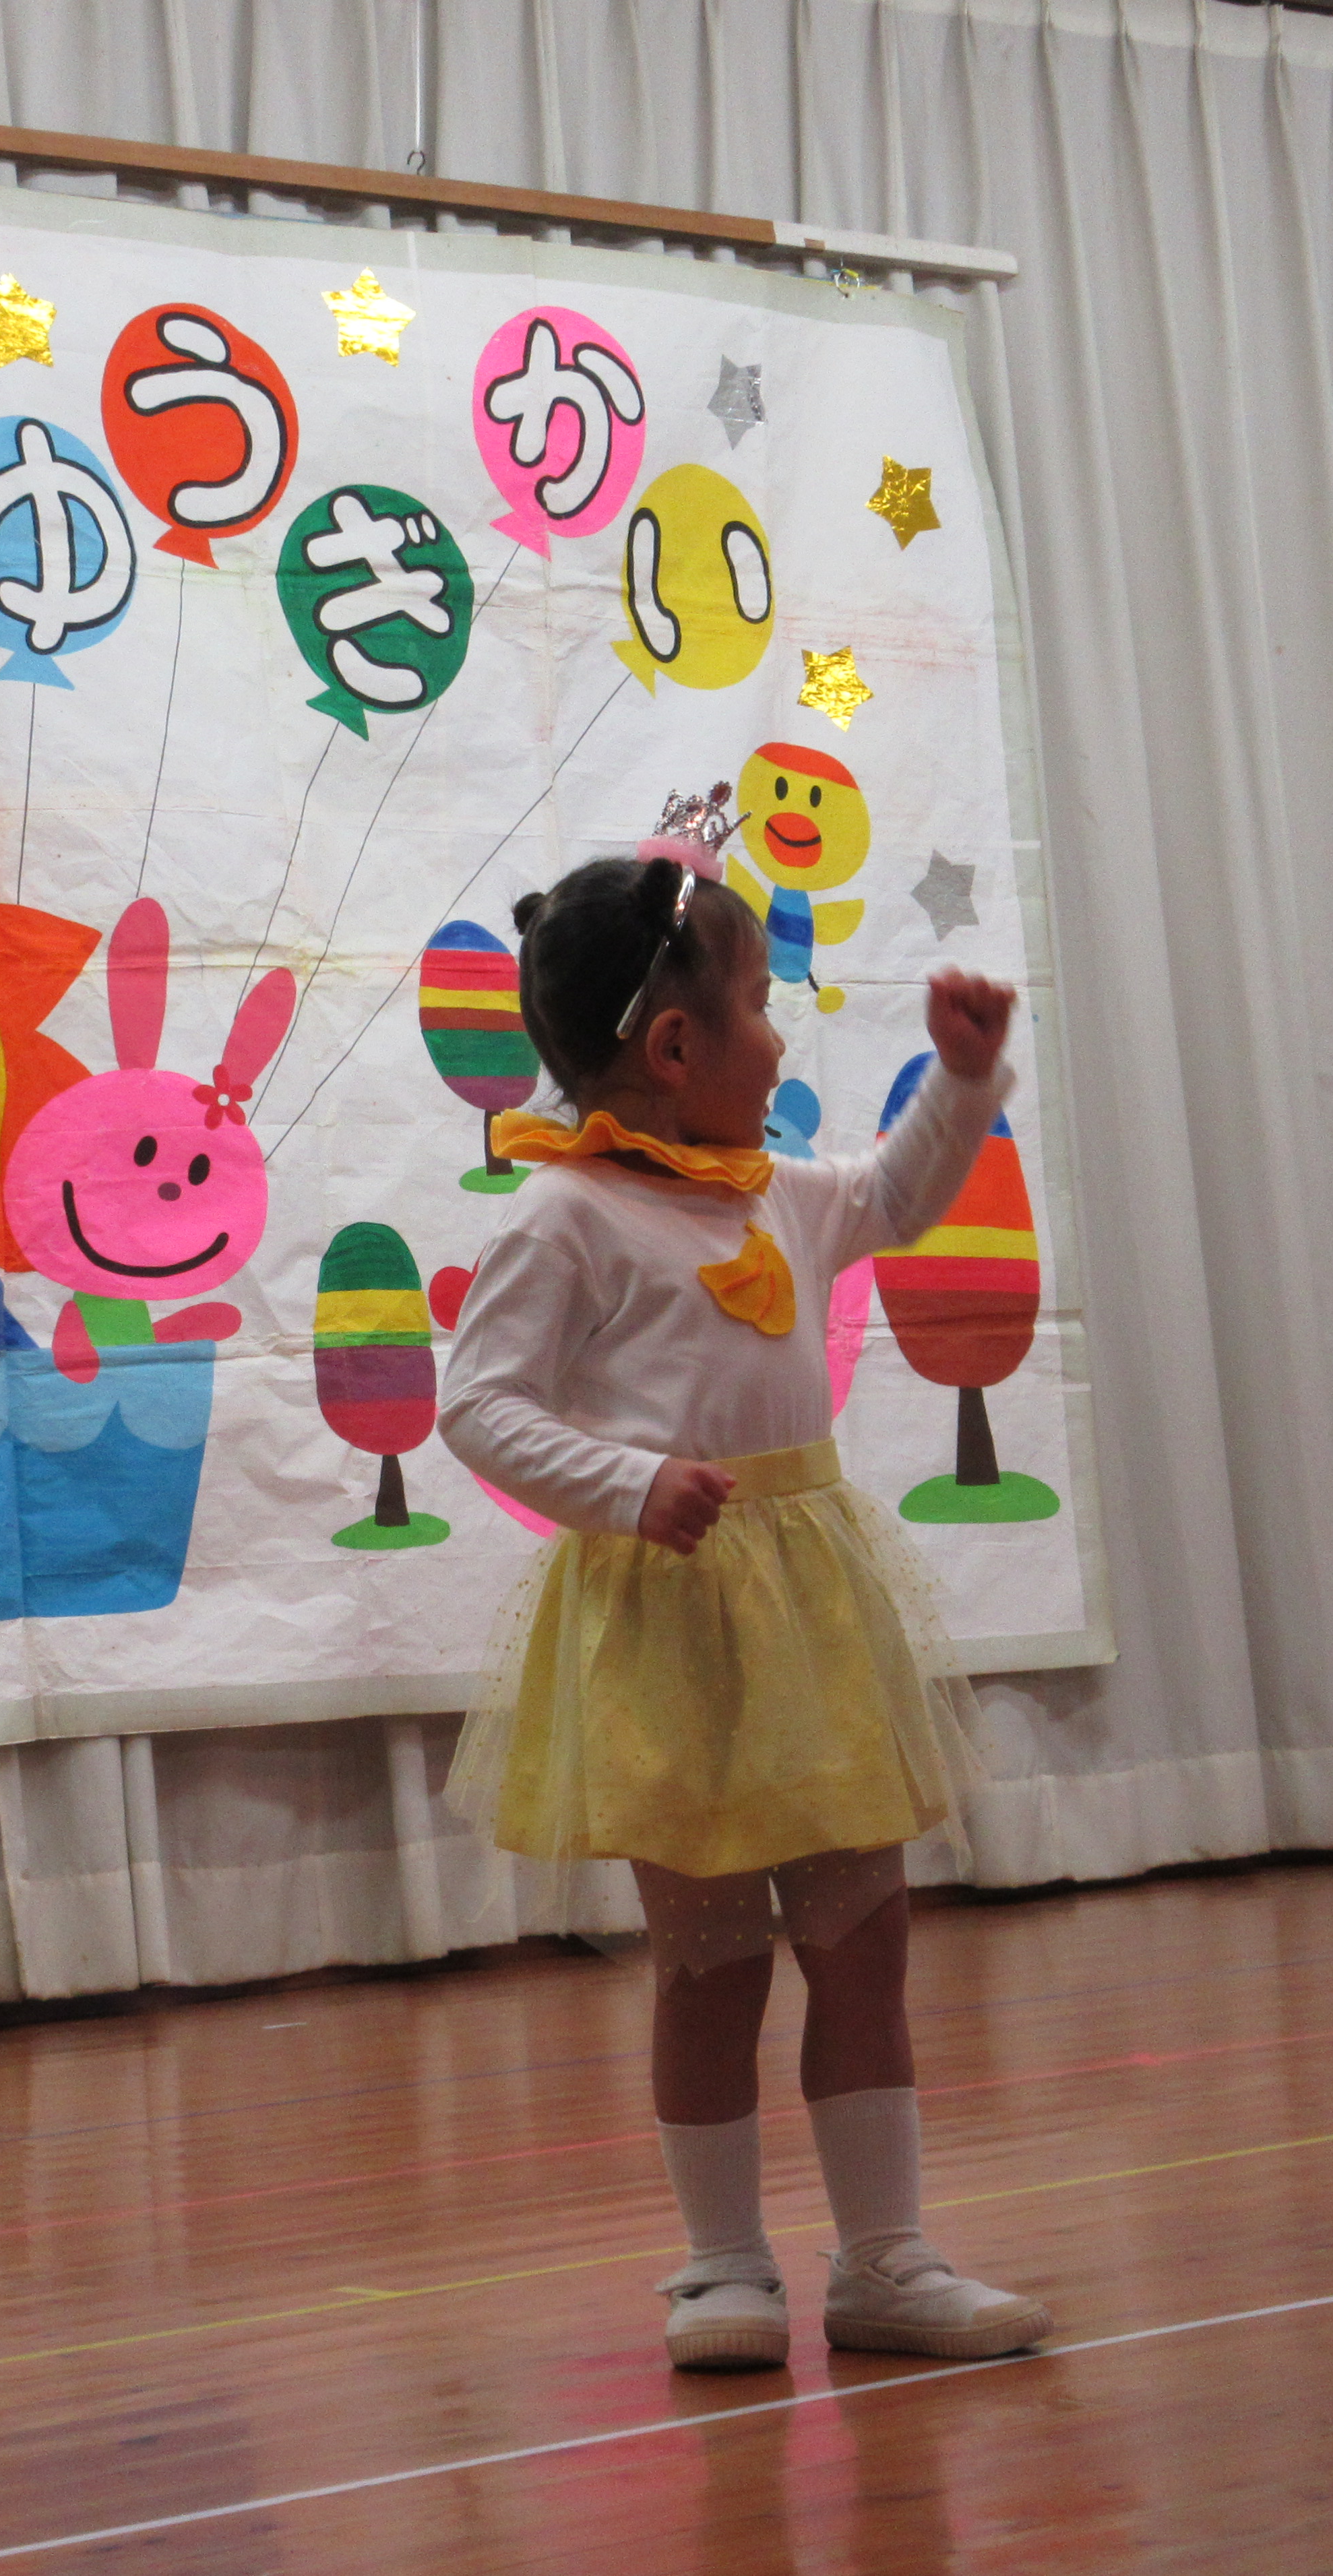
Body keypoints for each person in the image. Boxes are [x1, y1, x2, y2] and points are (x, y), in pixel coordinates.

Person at [440, 833, 1048, 2373]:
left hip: (812, 1618)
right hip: (672, 1622)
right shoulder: (566, 1215)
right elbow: (480, 1406)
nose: (778, 1040)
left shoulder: (775, 1190)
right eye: (763, 1007)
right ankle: (723, 2267)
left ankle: (886, 2258)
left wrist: (964, 1082)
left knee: (863, 1940)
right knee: (707, 1961)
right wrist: (627, 1484)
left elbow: (899, 1198)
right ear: (674, 1047)